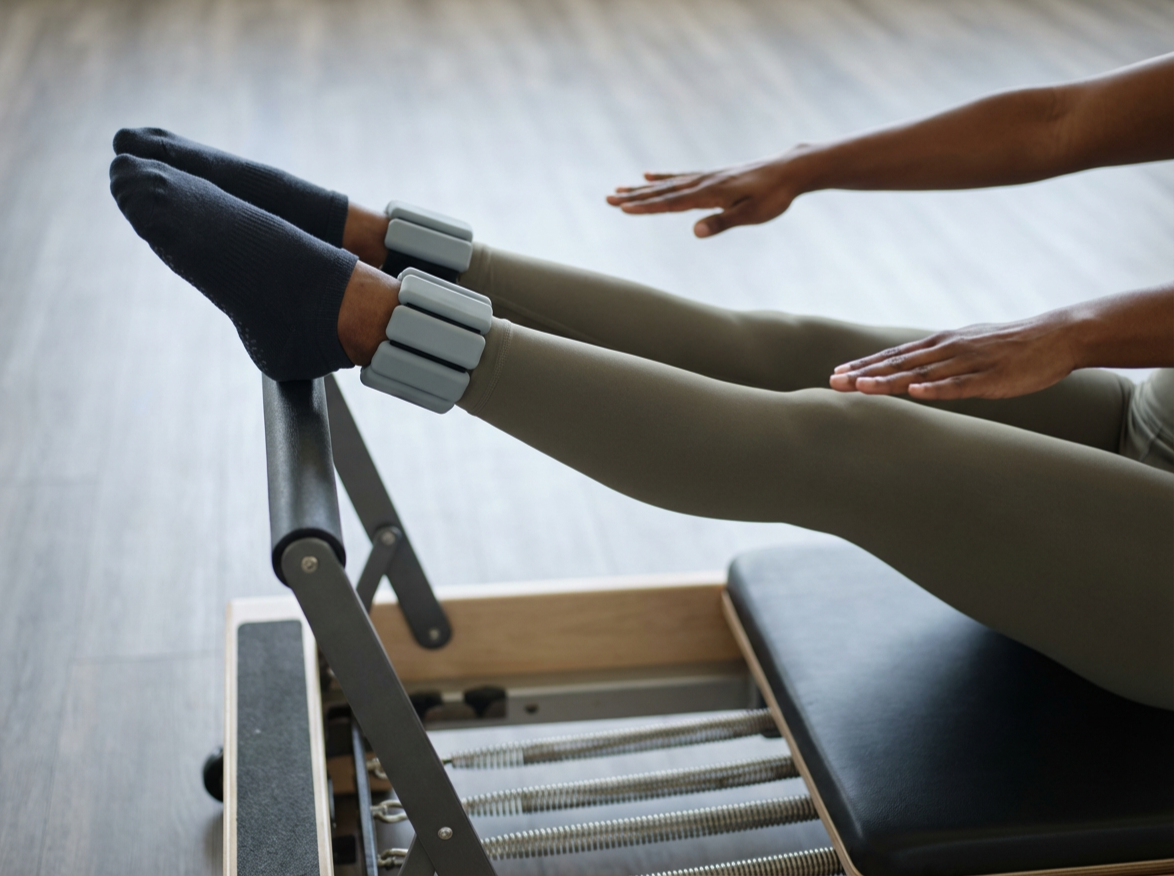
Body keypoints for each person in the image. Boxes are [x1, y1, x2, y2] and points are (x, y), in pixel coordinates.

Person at [108, 53, 1173, 709]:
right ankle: (385, 247)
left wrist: (1075, 331)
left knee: (852, 441)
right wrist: (804, 165)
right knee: (794, 350)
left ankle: (356, 319)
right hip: (1148, 430)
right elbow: (1060, 121)